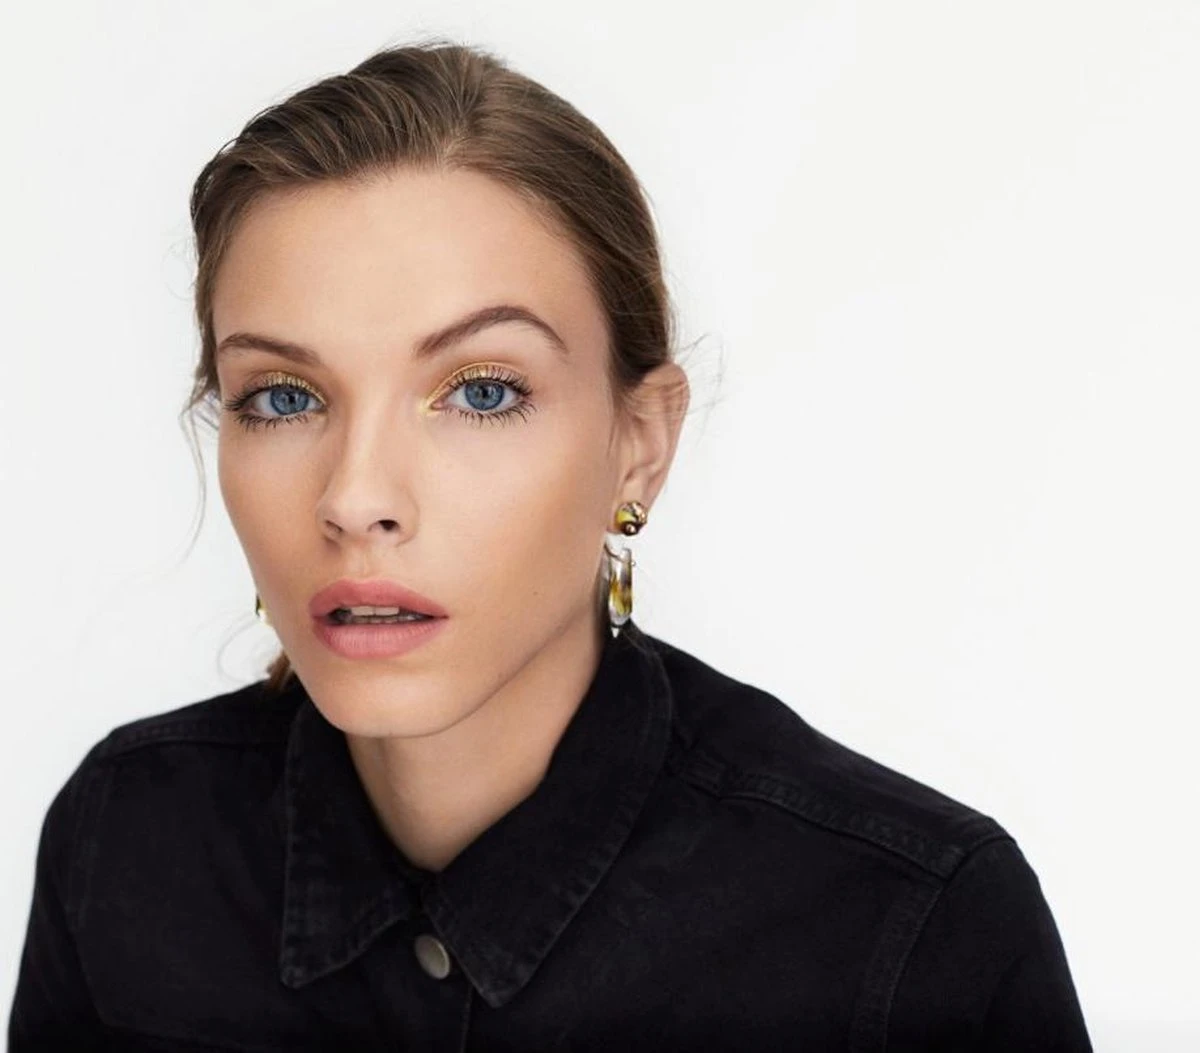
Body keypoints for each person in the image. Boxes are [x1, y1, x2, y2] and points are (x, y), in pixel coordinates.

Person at [8, 38, 1093, 1051]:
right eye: (284, 397)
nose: (355, 497)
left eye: (481, 392)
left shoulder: (909, 929)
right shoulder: (127, 840)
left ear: (639, 445)